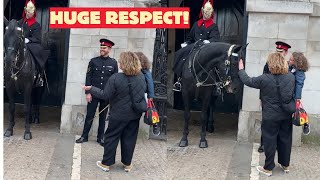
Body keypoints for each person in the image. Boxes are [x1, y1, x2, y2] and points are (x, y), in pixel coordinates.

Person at [83, 51, 147, 172]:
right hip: (134, 114)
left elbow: (105, 95)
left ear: (125, 63)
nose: (119, 63)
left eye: (121, 61)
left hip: (118, 114)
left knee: (111, 137)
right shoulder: (141, 77)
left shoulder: (116, 78)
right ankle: (127, 164)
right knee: (130, 138)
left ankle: (106, 163)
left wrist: (91, 89)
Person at [239, 53, 295, 177]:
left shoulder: (264, 79)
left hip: (271, 116)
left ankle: (268, 168)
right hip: (286, 115)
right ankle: (285, 165)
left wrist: (241, 69)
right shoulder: (291, 77)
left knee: (270, 140)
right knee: (285, 139)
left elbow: (248, 80)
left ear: (271, 64)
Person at [76, 39, 118, 146]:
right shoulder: (93, 61)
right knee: (90, 115)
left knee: (103, 117)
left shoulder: (113, 63)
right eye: (101, 48)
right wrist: (88, 93)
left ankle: (100, 138)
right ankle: (84, 136)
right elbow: (88, 77)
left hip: (106, 94)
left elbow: (115, 80)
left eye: (104, 48)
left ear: (109, 49)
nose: (102, 50)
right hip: (93, 93)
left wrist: (112, 95)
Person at [173, 0, 220, 91]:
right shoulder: (196, 24)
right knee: (180, 55)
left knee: (216, 62)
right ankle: (179, 80)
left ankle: (217, 84)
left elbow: (215, 39)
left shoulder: (213, 26)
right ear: (202, 12)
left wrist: (208, 41)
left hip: (206, 48)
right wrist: (186, 43)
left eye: (208, 13)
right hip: (194, 47)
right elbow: (190, 37)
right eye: (205, 13)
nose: (207, 15)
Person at [258, 41, 292, 153]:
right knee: (266, 122)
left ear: (286, 52)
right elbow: (262, 82)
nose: (278, 53)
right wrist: (261, 98)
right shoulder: (268, 64)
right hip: (269, 100)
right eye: (277, 51)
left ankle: (278, 145)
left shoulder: (289, 66)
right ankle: (264, 144)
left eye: (281, 51)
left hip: (283, 100)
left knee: (282, 124)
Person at [22, 0, 49, 87]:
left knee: (37, 50)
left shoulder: (36, 25)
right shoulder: (21, 22)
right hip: (20, 42)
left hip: (31, 43)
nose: (27, 13)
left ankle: (39, 74)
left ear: (33, 13)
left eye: (29, 12)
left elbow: (37, 38)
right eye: (26, 11)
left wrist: (28, 40)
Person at [134, 52, 160, 136]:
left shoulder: (145, 71)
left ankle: (155, 125)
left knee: (151, 110)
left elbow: (150, 83)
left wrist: (150, 96)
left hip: (143, 94)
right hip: (137, 93)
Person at [290, 52, 310, 135]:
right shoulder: (292, 68)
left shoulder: (300, 72)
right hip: (290, 93)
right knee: (294, 111)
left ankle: (306, 124)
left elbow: (299, 84)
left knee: (297, 111)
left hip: (294, 95)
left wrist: (297, 98)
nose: (289, 60)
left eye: (291, 59)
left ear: (296, 62)